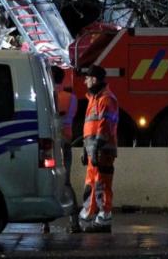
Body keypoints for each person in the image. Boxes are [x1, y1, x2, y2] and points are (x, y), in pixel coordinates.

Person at [79, 64, 119, 231]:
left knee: (101, 184)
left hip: (102, 150)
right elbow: (91, 127)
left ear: (94, 79)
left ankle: (104, 218)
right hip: (94, 150)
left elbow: (105, 126)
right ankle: (90, 217)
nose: (85, 82)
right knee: (93, 184)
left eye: (87, 78)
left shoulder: (105, 99)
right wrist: (86, 149)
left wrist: (95, 148)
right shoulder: (95, 98)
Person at [51, 66, 81, 231]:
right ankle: (74, 221)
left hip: (53, 143)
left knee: (47, 181)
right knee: (67, 182)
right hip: (67, 142)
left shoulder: (50, 96)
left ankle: (45, 225)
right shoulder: (72, 98)